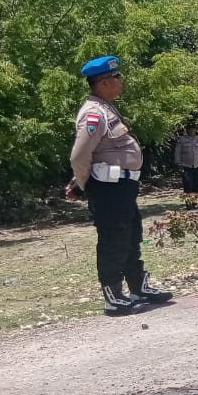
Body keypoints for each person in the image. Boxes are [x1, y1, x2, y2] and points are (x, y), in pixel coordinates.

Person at [66, 55, 173, 315]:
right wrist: (83, 184)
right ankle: (113, 296)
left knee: (131, 236)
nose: (121, 81)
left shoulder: (106, 107)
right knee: (114, 240)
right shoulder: (93, 113)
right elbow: (79, 156)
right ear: (102, 83)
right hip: (107, 188)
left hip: (122, 187)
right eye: (116, 77)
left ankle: (138, 286)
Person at [173, 123, 198, 209]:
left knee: (197, 184)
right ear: (187, 130)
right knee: (187, 184)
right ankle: (188, 203)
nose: (191, 130)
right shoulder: (182, 140)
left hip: (197, 166)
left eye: (193, 128)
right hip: (185, 165)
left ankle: (195, 202)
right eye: (190, 129)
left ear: (196, 130)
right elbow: (177, 152)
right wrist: (178, 164)